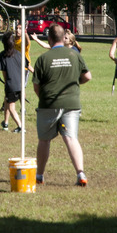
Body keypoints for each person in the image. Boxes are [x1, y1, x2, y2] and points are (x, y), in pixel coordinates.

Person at [32, 24, 92, 187]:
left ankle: (39, 175)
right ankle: (81, 173)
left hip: (48, 104)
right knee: (71, 138)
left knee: (44, 140)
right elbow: (87, 76)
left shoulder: (43, 58)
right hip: (71, 104)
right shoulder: (74, 55)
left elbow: (36, 86)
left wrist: (44, 97)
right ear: (62, 37)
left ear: (49, 39)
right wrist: (74, 83)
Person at [0, 31, 30, 132]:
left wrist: (7, 84)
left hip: (11, 84)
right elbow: (27, 65)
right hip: (21, 83)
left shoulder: (2, 55)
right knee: (7, 102)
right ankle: (5, 124)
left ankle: (21, 127)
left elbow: (4, 73)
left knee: (11, 107)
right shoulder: (19, 54)